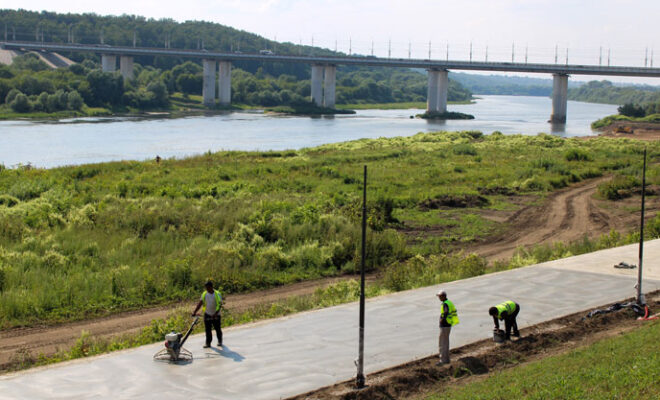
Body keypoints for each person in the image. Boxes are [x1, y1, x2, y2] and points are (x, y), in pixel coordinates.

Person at [192, 280, 223, 348]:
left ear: (212, 287)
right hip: (207, 313)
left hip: (216, 314)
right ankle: (208, 343)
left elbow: (219, 305)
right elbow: (200, 303)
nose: (207, 289)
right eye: (206, 288)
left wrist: (215, 314)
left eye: (208, 288)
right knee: (207, 330)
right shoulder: (204, 294)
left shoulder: (217, 294)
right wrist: (194, 312)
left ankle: (220, 341)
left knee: (217, 329)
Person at [436, 289, 459, 365]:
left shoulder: (445, 304)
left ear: (443, 296)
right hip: (448, 324)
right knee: (445, 342)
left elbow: (446, 312)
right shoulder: (448, 302)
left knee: (443, 342)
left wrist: (442, 320)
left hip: (445, 325)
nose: (439, 298)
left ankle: (443, 360)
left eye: (439, 296)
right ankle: (446, 359)